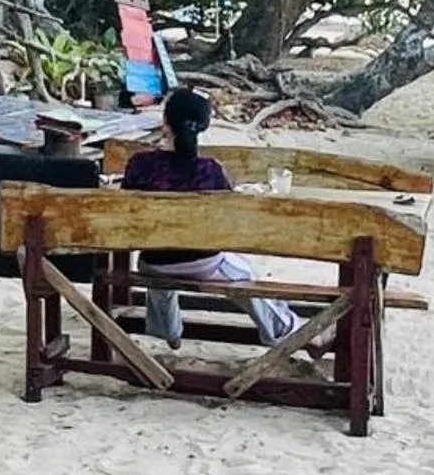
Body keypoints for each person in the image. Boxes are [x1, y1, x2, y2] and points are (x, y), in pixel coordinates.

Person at [116, 88, 301, 348]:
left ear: (165, 122)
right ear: (202, 127)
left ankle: (167, 331)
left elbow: (123, 211)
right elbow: (226, 221)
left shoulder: (139, 164)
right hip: (201, 264)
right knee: (244, 275)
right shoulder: (210, 170)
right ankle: (285, 329)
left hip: (152, 262)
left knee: (161, 268)